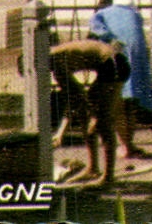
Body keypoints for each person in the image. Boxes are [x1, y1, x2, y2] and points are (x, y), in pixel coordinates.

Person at [89, 0, 152, 160]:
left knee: (117, 107)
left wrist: (109, 38)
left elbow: (95, 28)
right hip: (137, 65)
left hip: (117, 62)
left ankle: (124, 147)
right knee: (130, 107)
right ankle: (129, 145)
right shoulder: (135, 16)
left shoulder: (103, 14)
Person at [49, 38, 121, 185]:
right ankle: (93, 169)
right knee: (86, 115)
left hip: (113, 63)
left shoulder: (56, 63)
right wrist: (60, 132)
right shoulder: (52, 57)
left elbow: (73, 99)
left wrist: (60, 133)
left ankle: (108, 177)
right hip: (110, 61)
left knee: (102, 121)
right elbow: (76, 100)